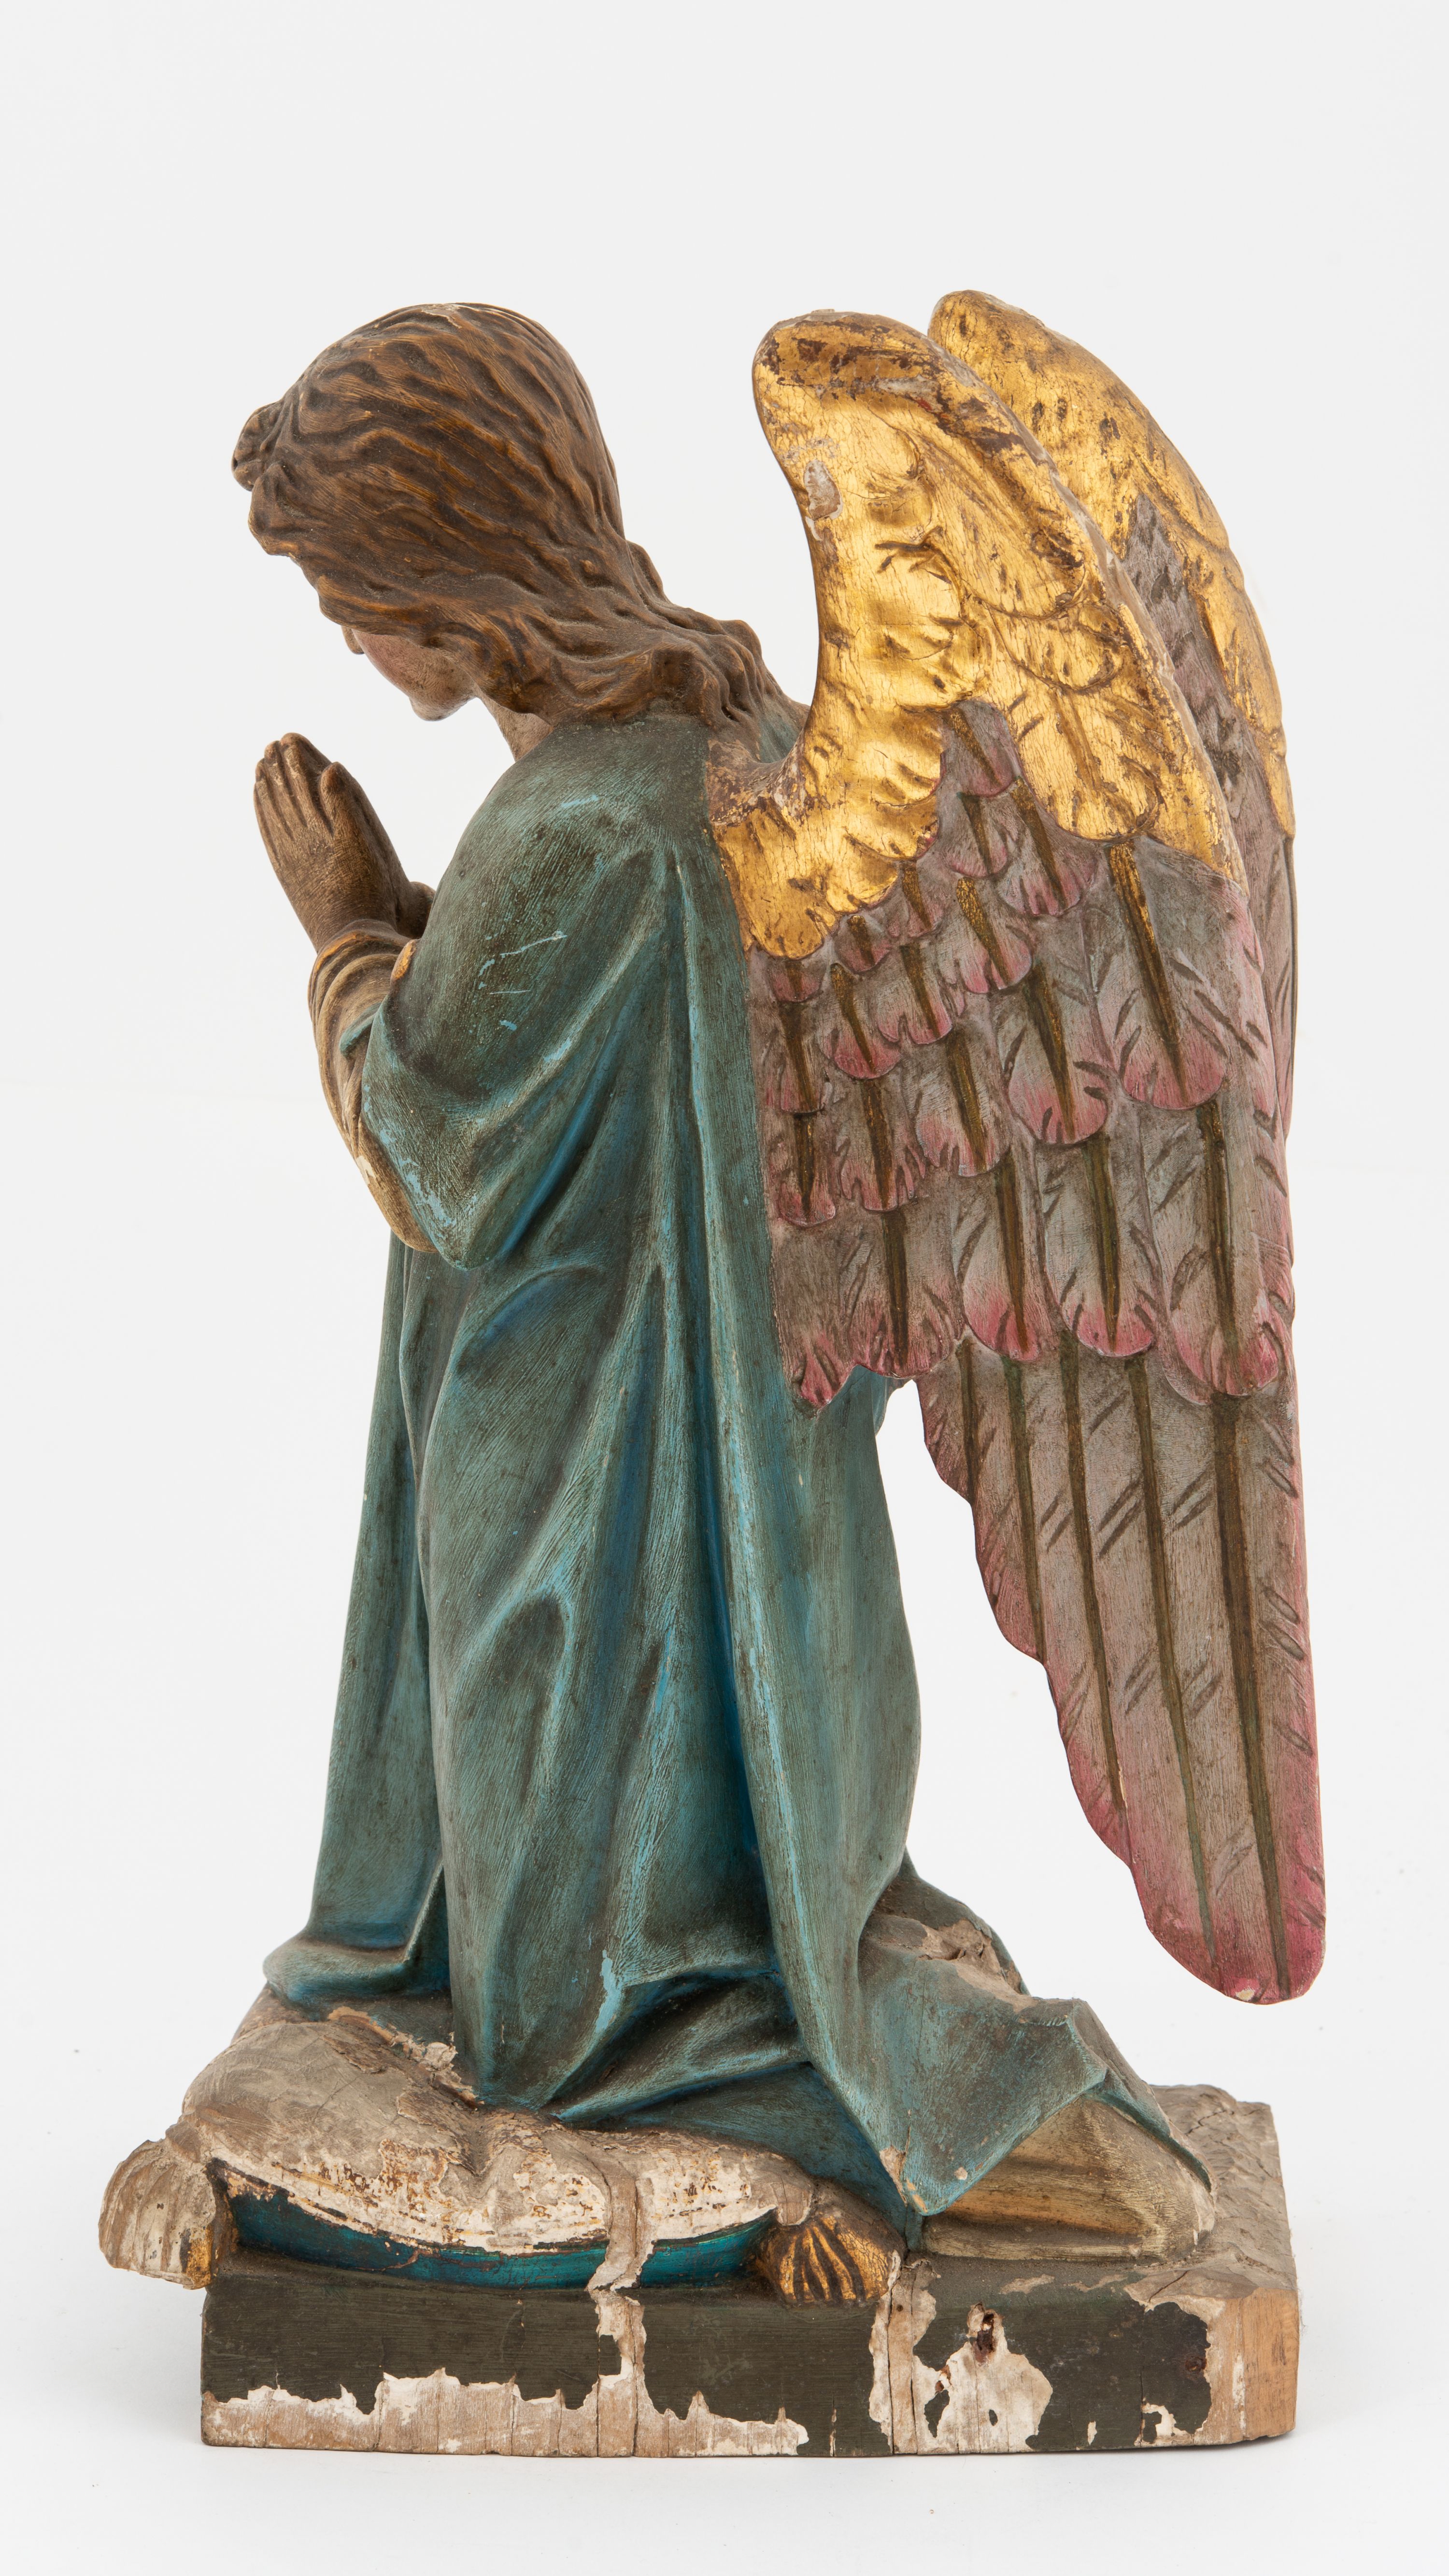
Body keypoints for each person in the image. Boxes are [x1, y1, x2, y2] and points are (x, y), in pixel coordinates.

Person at [234, 302, 1202, 2279]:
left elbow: (439, 1152)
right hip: (728, 1452)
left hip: (593, 1491)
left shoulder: (575, 816)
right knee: (706, 1896)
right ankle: (850, 2034)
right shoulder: (726, 739)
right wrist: (429, 928)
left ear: (448, 575)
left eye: (352, 598)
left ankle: (893, 2121)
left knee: (570, 2021)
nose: (348, 639)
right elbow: (588, 1046)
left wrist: (342, 933)